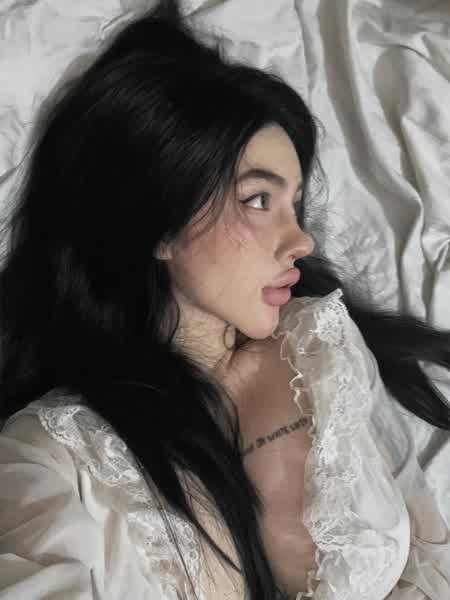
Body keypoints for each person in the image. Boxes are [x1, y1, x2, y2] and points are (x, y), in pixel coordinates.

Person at [0, 1, 449, 598]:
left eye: (295, 205)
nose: (302, 241)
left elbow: (430, 557)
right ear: (159, 222)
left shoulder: (322, 348)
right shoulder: (48, 455)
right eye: (258, 200)